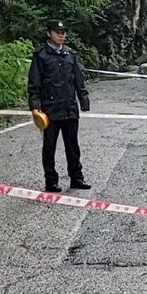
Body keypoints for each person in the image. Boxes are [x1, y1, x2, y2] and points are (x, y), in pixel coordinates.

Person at [27, 19, 91, 193]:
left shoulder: (70, 54)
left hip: (69, 107)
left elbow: (78, 79)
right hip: (50, 109)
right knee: (49, 146)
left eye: (63, 33)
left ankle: (77, 178)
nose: (61, 35)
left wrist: (83, 99)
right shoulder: (41, 55)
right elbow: (34, 84)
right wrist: (35, 106)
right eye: (57, 32)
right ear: (49, 34)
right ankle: (51, 181)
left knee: (73, 145)